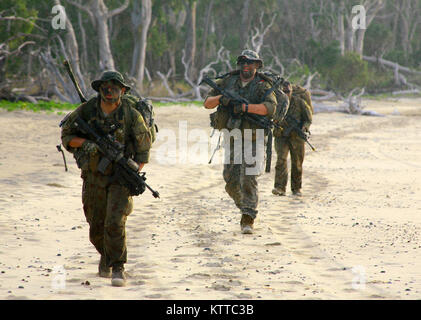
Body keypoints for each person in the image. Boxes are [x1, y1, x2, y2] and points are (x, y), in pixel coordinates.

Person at [61, 71, 152, 287]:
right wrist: (86, 144)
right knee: (95, 225)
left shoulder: (131, 114)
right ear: (99, 89)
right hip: (93, 176)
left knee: (114, 222)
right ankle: (106, 255)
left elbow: (143, 150)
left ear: (122, 90)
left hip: (120, 178)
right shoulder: (87, 110)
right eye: (105, 86)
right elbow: (66, 135)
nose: (109, 90)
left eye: (115, 86)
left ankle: (118, 266)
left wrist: (130, 173)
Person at [203, 50, 277, 234]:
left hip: (254, 138)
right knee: (230, 179)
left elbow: (270, 108)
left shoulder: (262, 85)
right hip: (233, 137)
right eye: (243, 62)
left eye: (251, 63)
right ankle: (245, 206)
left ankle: (248, 217)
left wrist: (245, 107)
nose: (246, 66)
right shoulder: (228, 82)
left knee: (249, 177)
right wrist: (223, 98)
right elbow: (207, 103)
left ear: (257, 66)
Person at [272, 81, 312, 197]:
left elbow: (308, 119)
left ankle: (296, 188)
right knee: (281, 160)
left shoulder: (300, 102)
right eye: (283, 92)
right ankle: (280, 187)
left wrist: (304, 128)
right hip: (281, 135)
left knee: (297, 163)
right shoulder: (277, 103)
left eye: (288, 91)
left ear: (291, 91)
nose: (286, 94)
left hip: (297, 137)